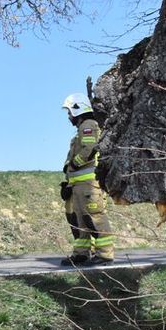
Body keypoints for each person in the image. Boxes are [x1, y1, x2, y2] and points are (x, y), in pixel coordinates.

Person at [60, 94, 114, 265]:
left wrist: (75, 165)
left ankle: (105, 254)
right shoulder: (80, 131)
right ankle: (82, 253)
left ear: (78, 108)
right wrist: (68, 182)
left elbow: (89, 149)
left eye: (70, 112)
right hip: (78, 186)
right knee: (80, 221)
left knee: (94, 217)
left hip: (89, 185)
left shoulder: (89, 126)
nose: (69, 116)